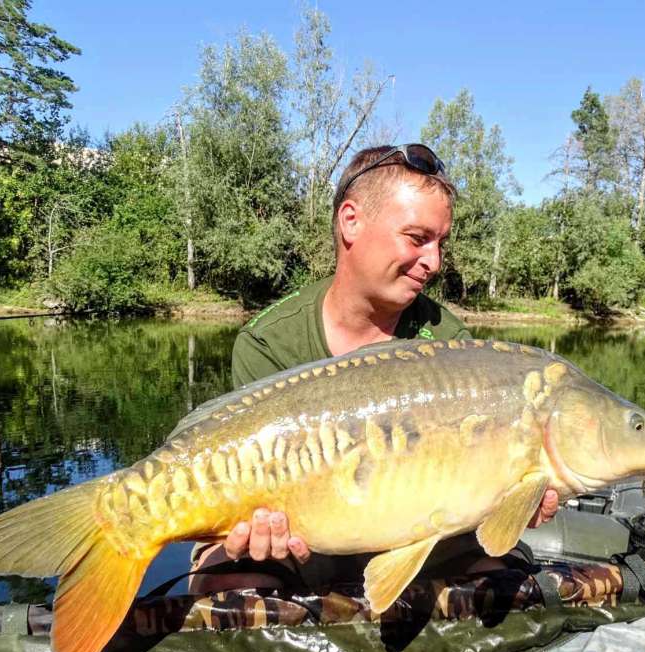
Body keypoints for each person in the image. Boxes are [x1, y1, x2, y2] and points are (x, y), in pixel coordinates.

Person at [190, 144, 559, 592]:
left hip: (424, 543)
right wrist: (253, 531)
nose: (434, 262)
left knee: (501, 578)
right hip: (307, 544)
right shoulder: (270, 340)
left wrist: (512, 504)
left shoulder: (451, 345)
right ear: (351, 221)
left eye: (441, 243)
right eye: (417, 238)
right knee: (222, 574)